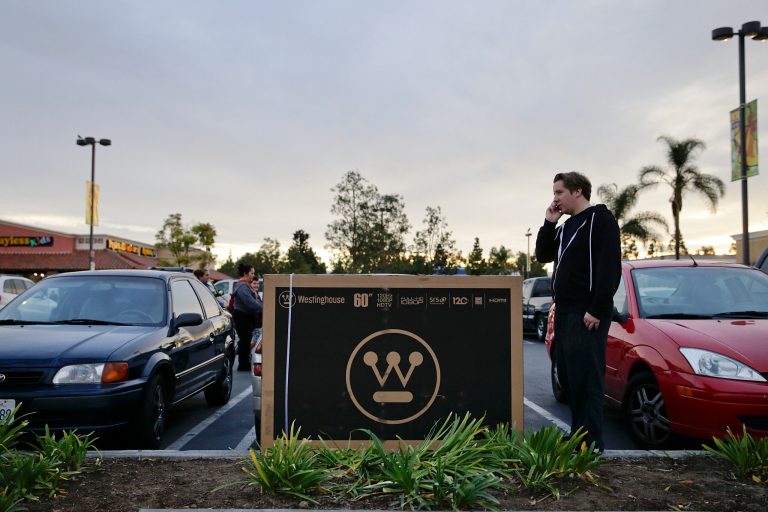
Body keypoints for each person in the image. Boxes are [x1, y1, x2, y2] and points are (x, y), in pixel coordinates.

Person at [534, 171, 621, 452]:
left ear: (577, 191)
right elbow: (543, 254)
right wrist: (549, 222)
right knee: (570, 380)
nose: (555, 198)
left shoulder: (600, 220)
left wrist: (597, 308)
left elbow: (609, 267)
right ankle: (578, 436)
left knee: (587, 379)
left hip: (587, 313)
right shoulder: (565, 227)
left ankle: (592, 443)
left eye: (559, 192)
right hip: (565, 312)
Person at [232, 263, 262, 371]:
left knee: (246, 340)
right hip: (242, 316)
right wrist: (263, 308)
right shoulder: (242, 286)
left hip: (245, 317)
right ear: (245, 273)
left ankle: (244, 363)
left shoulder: (245, 285)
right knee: (245, 341)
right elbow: (250, 302)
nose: (253, 275)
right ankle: (243, 365)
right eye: (252, 273)